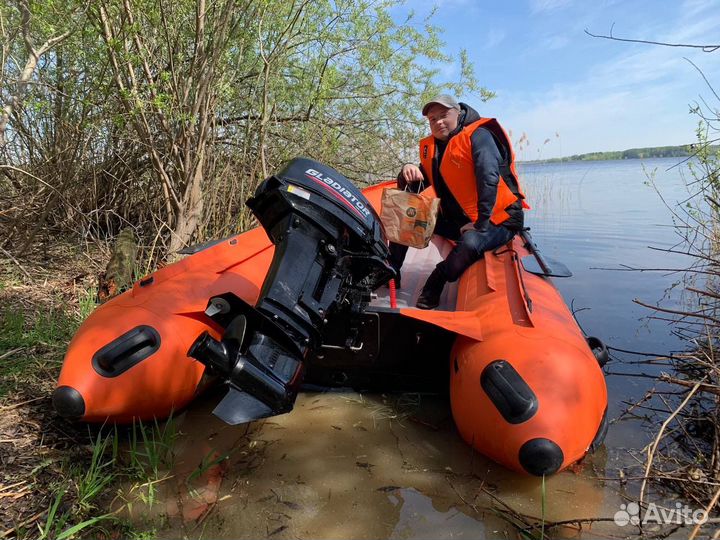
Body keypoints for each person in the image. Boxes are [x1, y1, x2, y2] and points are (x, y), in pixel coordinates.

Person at [389, 94, 528, 309]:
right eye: (432, 119)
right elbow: (416, 183)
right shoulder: (435, 147)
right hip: (457, 219)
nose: (438, 122)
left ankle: (438, 278)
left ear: (458, 112)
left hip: (500, 219)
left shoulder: (480, 135)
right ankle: (391, 271)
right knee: (406, 214)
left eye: (443, 115)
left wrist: (481, 223)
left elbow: (488, 177)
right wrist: (407, 170)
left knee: (471, 242)